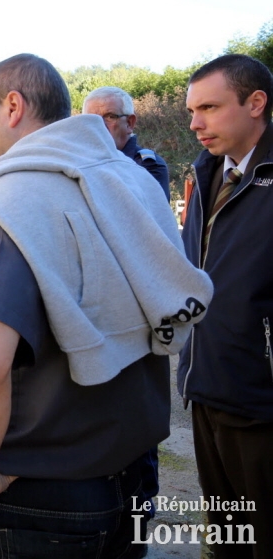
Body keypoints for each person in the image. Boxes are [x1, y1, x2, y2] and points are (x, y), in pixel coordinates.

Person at [0, 54, 213, 557]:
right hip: (131, 475)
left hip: (36, 497)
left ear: (11, 107)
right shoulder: (132, 181)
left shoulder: (16, 198)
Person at [178, 54, 273, 559]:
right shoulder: (206, 172)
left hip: (261, 402)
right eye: (193, 110)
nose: (195, 124)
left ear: (256, 103)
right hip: (206, 385)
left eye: (209, 108)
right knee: (227, 539)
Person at [83, 85, 169, 536]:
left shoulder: (145, 169)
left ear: (130, 123)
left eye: (108, 119)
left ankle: (135, 530)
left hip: (135, 322)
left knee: (137, 433)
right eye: (89, 121)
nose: (98, 130)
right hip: (96, 319)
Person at [83, 86, 171, 200]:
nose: (100, 125)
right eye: (92, 119)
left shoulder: (148, 166)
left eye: (110, 117)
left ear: (130, 123)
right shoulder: (77, 160)